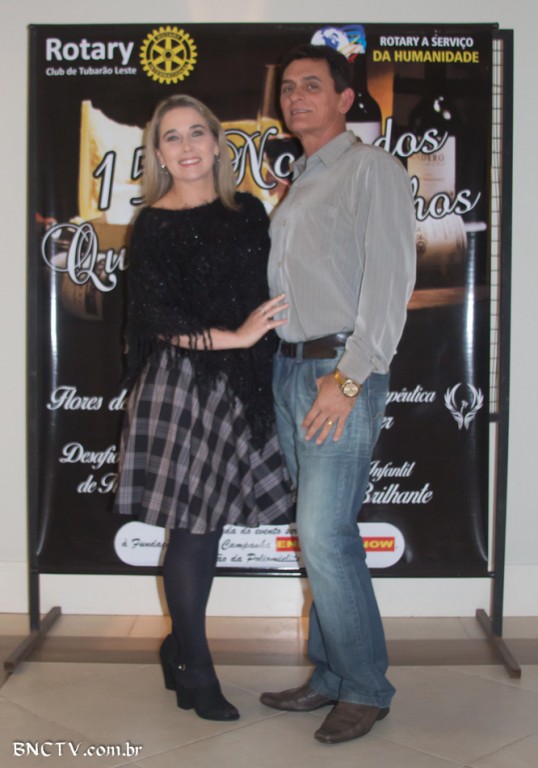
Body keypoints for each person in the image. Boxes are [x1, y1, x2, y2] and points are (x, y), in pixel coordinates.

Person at [114, 94, 293, 722]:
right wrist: (236, 337)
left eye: (197, 133)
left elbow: (273, 284)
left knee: (209, 528)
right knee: (192, 530)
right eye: (172, 137)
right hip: (183, 384)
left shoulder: (249, 211)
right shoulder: (153, 224)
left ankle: (177, 647)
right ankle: (196, 666)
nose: (186, 146)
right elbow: (154, 317)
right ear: (159, 154)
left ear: (217, 143)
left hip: (243, 383)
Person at [260, 44, 416, 744]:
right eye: (288, 88)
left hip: (338, 370)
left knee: (325, 534)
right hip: (292, 369)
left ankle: (365, 687)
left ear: (345, 99)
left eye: (312, 86)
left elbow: (390, 282)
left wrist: (349, 378)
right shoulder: (303, 177)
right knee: (319, 534)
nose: (296, 97)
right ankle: (329, 674)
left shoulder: (371, 170)